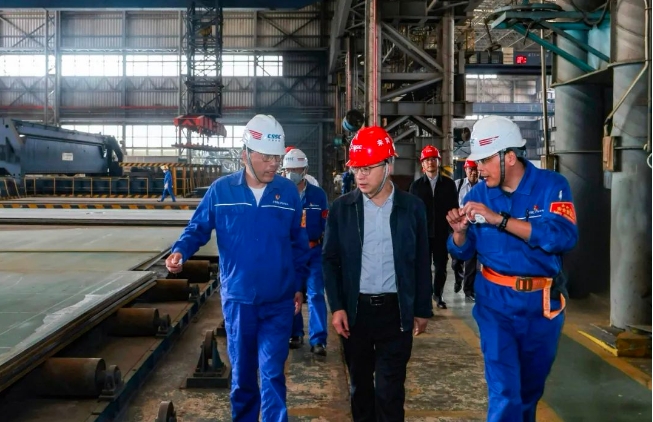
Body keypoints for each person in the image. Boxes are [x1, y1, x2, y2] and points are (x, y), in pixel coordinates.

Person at [165, 114, 310, 422]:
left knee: (272, 374)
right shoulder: (221, 191)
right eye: (266, 157)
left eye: (277, 158)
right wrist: (180, 250)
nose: (274, 164)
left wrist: (299, 286)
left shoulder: (288, 193)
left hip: (279, 301)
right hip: (239, 301)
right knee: (243, 376)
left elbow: (299, 245)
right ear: (246, 154)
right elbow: (198, 228)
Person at [446, 116, 578, 422]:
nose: (478, 168)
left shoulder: (552, 186)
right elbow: (461, 250)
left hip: (541, 307)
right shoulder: (477, 195)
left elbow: (563, 237)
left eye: (484, 160)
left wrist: (500, 220)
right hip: (495, 306)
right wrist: (459, 233)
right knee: (505, 392)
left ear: (508, 156)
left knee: (529, 393)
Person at [323, 126, 433, 422]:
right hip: (356, 314)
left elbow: (422, 261)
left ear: (388, 166)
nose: (360, 176)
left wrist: (422, 308)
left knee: (389, 391)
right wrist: (337, 307)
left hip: (396, 313)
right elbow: (329, 261)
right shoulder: (342, 209)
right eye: (356, 168)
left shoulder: (412, 208)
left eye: (368, 168)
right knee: (360, 389)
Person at [282, 148, 329, 356]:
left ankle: (318, 340)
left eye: (296, 169)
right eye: (289, 169)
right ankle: (295, 333)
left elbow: (327, 225)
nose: (292, 173)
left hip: (314, 251)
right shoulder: (281, 195)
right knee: (292, 293)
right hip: (292, 253)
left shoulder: (318, 195)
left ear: (305, 170)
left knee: (316, 293)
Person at [408, 145, 458, 309]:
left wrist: (453, 231)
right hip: (422, 234)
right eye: (427, 160)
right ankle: (425, 297)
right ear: (422, 164)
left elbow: (454, 208)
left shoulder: (449, 185)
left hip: (442, 234)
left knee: (441, 267)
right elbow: (411, 212)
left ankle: (438, 294)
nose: (430, 162)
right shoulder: (416, 187)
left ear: (439, 162)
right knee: (423, 268)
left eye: (433, 159)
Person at [451, 159, 480, 301]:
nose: (473, 172)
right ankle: (458, 277)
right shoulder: (457, 185)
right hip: (459, 227)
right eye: (471, 169)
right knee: (456, 260)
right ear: (466, 170)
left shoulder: (483, 186)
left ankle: (468, 289)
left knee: (471, 260)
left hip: (475, 228)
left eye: (475, 170)